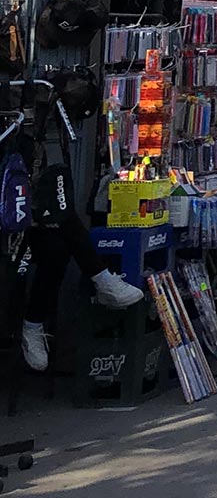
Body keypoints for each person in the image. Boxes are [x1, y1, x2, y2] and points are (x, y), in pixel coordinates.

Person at [16, 75, 143, 369]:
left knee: (58, 246)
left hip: (26, 222)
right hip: (13, 225)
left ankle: (33, 325)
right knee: (60, 228)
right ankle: (101, 279)